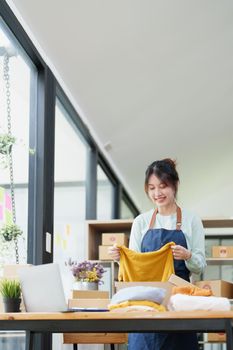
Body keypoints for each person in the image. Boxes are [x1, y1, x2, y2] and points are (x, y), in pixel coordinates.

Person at [108, 158, 206, 350]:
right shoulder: (141, 222)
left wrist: (187, 256)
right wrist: (121, 259)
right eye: (151, 188)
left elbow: (200, 265)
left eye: (163, 186)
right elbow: (135, 268)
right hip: (146, 303)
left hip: (178, 301)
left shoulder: (191, 220)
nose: (157, 193)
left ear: (175, 185)